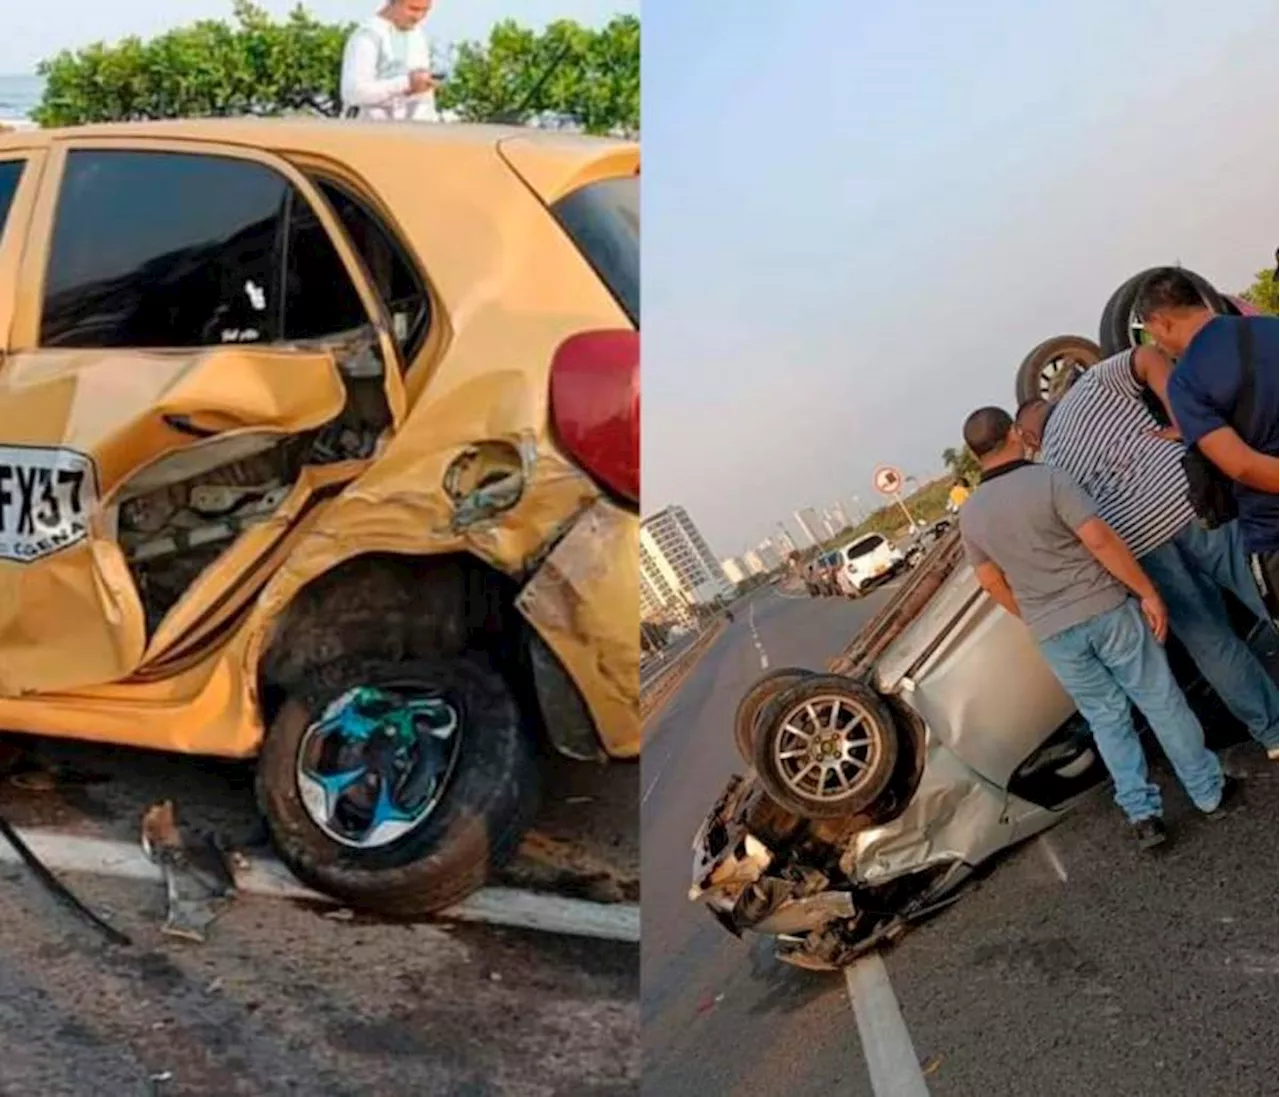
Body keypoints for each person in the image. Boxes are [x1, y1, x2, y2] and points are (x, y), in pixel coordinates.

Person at [959, 405, 1232, 849]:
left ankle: (1143, 815)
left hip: (1054, 632)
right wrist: (1146, 590)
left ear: (974, 456)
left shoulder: (970, 514)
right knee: (1159, 698)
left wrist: (1033, 614)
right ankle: (1207, 791)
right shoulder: (1048, 480)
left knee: (1106, 719)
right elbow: (1099, 539)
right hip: (1105, 609)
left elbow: (990, 581)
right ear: (1013, 433)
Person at [1015, 349, 1280, 764]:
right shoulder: (1092, 386)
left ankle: (1273, 732)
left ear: (1029, 438)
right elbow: (1148, 357)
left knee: (1210, 641)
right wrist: (1185, 422)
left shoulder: (1049, 466)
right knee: (1263, 591)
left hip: (1142, 548)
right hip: (1191, 506)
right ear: (1051, 403)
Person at [1138, 267, 1280, 622]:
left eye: (1150, 331)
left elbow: (1242, 465)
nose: (1155, 342)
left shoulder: (1185, 382)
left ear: (1161, 321)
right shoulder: (1271, 328)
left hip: (1272, 529)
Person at [341, 0, 439, 122]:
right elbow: (354, 93)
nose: (418, 17)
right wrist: (407, 84)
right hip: (369, 132)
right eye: (413, 9)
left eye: (425, 11)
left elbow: (424, 99)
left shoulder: (418, 37)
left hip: (411, 134)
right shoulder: (368, 35)